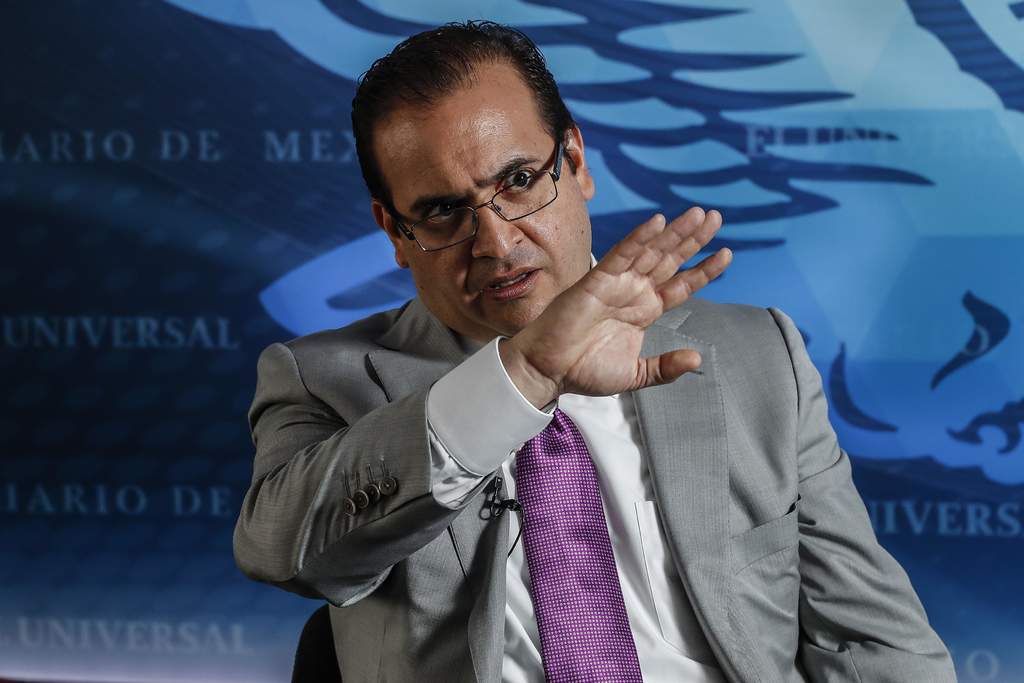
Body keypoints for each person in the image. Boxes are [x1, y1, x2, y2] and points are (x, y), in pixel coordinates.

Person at [234, 21, 955, 683]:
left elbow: (873, 639)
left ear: (574, 162)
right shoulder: (322, 379)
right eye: (443, 211)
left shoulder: (759, 357)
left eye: (519, 181)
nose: (496, 242)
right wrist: (525, 373)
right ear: (395, 232)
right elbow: (281, 551)